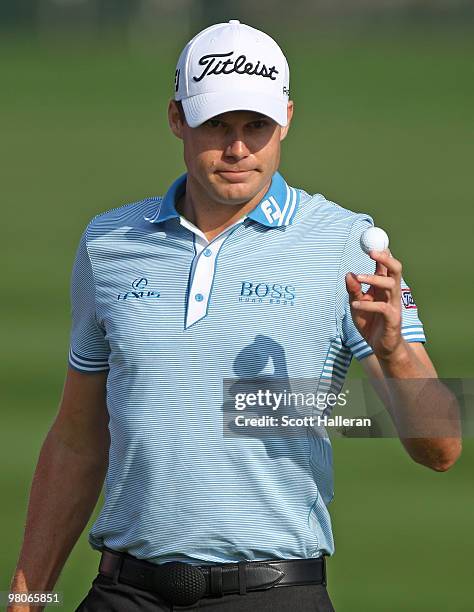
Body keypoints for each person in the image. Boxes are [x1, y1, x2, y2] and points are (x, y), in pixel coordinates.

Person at [9, 19, 461, 612]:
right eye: (217, 125)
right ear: (177, 119)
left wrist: (394, 353)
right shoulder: (109, 242)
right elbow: (76, 439)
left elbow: (441, 448)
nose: (238, 147)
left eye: (257, 126)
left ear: (288, 120)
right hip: (123, 591)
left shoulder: (346, 241)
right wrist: (27, 597)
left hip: (271, 593)